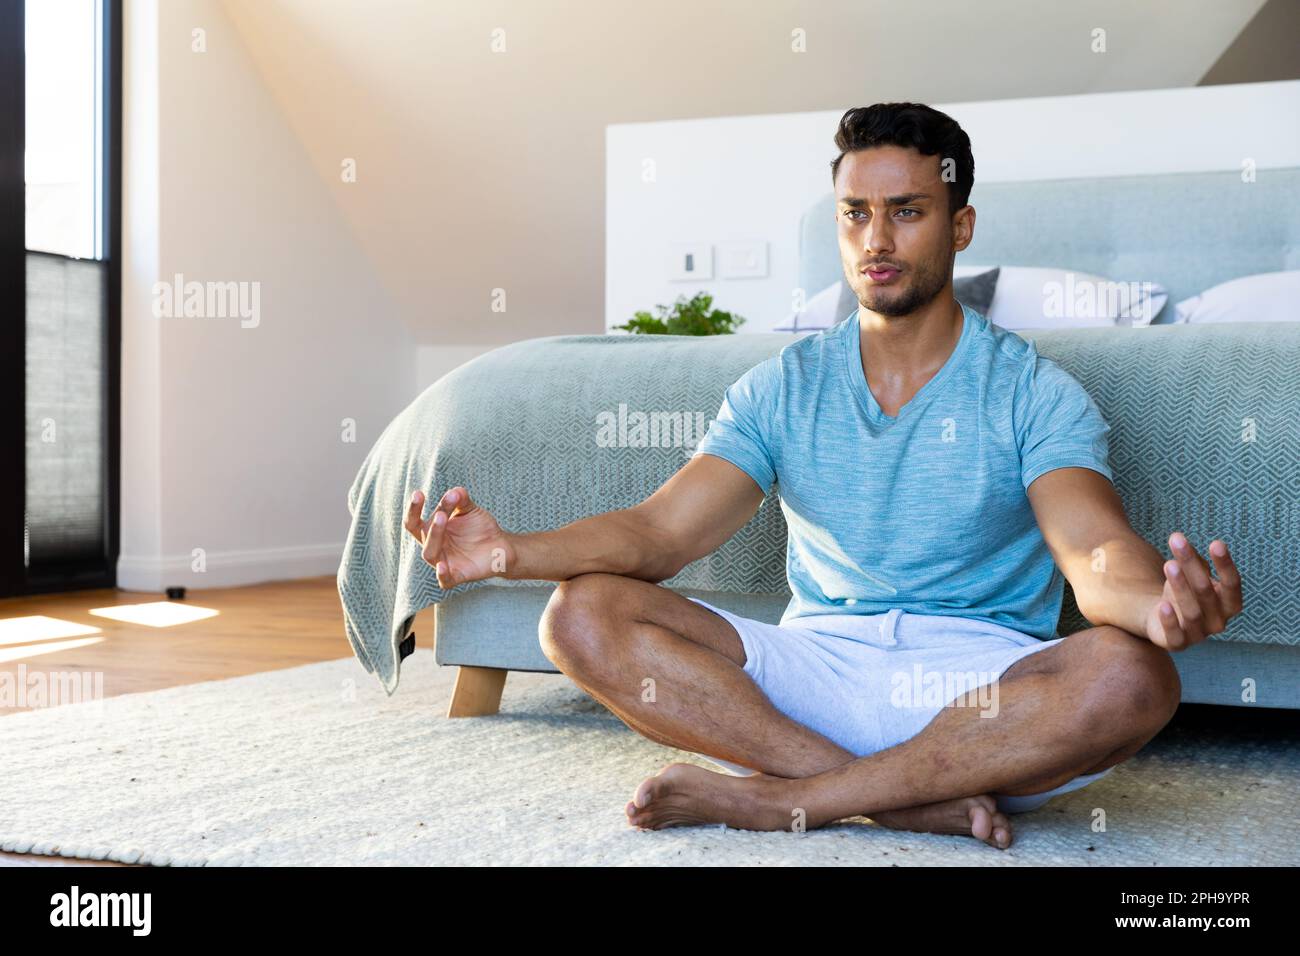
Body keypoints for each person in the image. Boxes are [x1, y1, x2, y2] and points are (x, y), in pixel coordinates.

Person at [403, 103, 1243, 849]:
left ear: (959, 226)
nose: (876, 240)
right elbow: (661, 535)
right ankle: (896, 801)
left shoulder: (1034, 391)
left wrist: (1154, 607)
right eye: (856, 215)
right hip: (813, 673)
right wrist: (508, 550)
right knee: (582, 615)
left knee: (1133, 675)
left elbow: (1092, 548)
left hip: (978, 693)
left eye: (907, 212)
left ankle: (788, 803)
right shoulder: (782, 385)